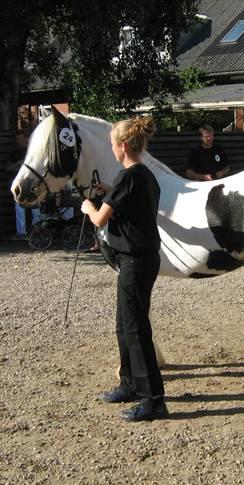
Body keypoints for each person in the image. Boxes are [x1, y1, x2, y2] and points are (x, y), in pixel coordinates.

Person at [81, 116, 166, 422]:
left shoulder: (128, 177)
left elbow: (100, 219)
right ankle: (129, 383)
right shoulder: (142, 176)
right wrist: (108, 190)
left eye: (113, 144)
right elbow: (128, 206)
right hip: (140, 259)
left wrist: (88, 206)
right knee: (124, 325)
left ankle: (153, 400)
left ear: (124, 146)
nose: (111, 148)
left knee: (136, 328)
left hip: (136, 260)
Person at [6, 129, 40, 240]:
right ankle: (21, 232)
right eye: (17, 139)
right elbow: (7, 167)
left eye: (21, 138)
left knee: (35, 205)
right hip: (18, 183)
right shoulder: (14, 154)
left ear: (26, 139)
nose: (19, 141)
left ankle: (37, 230)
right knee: (19, 205)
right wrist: (20, 163)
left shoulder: (32, 151)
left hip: (31, 182)